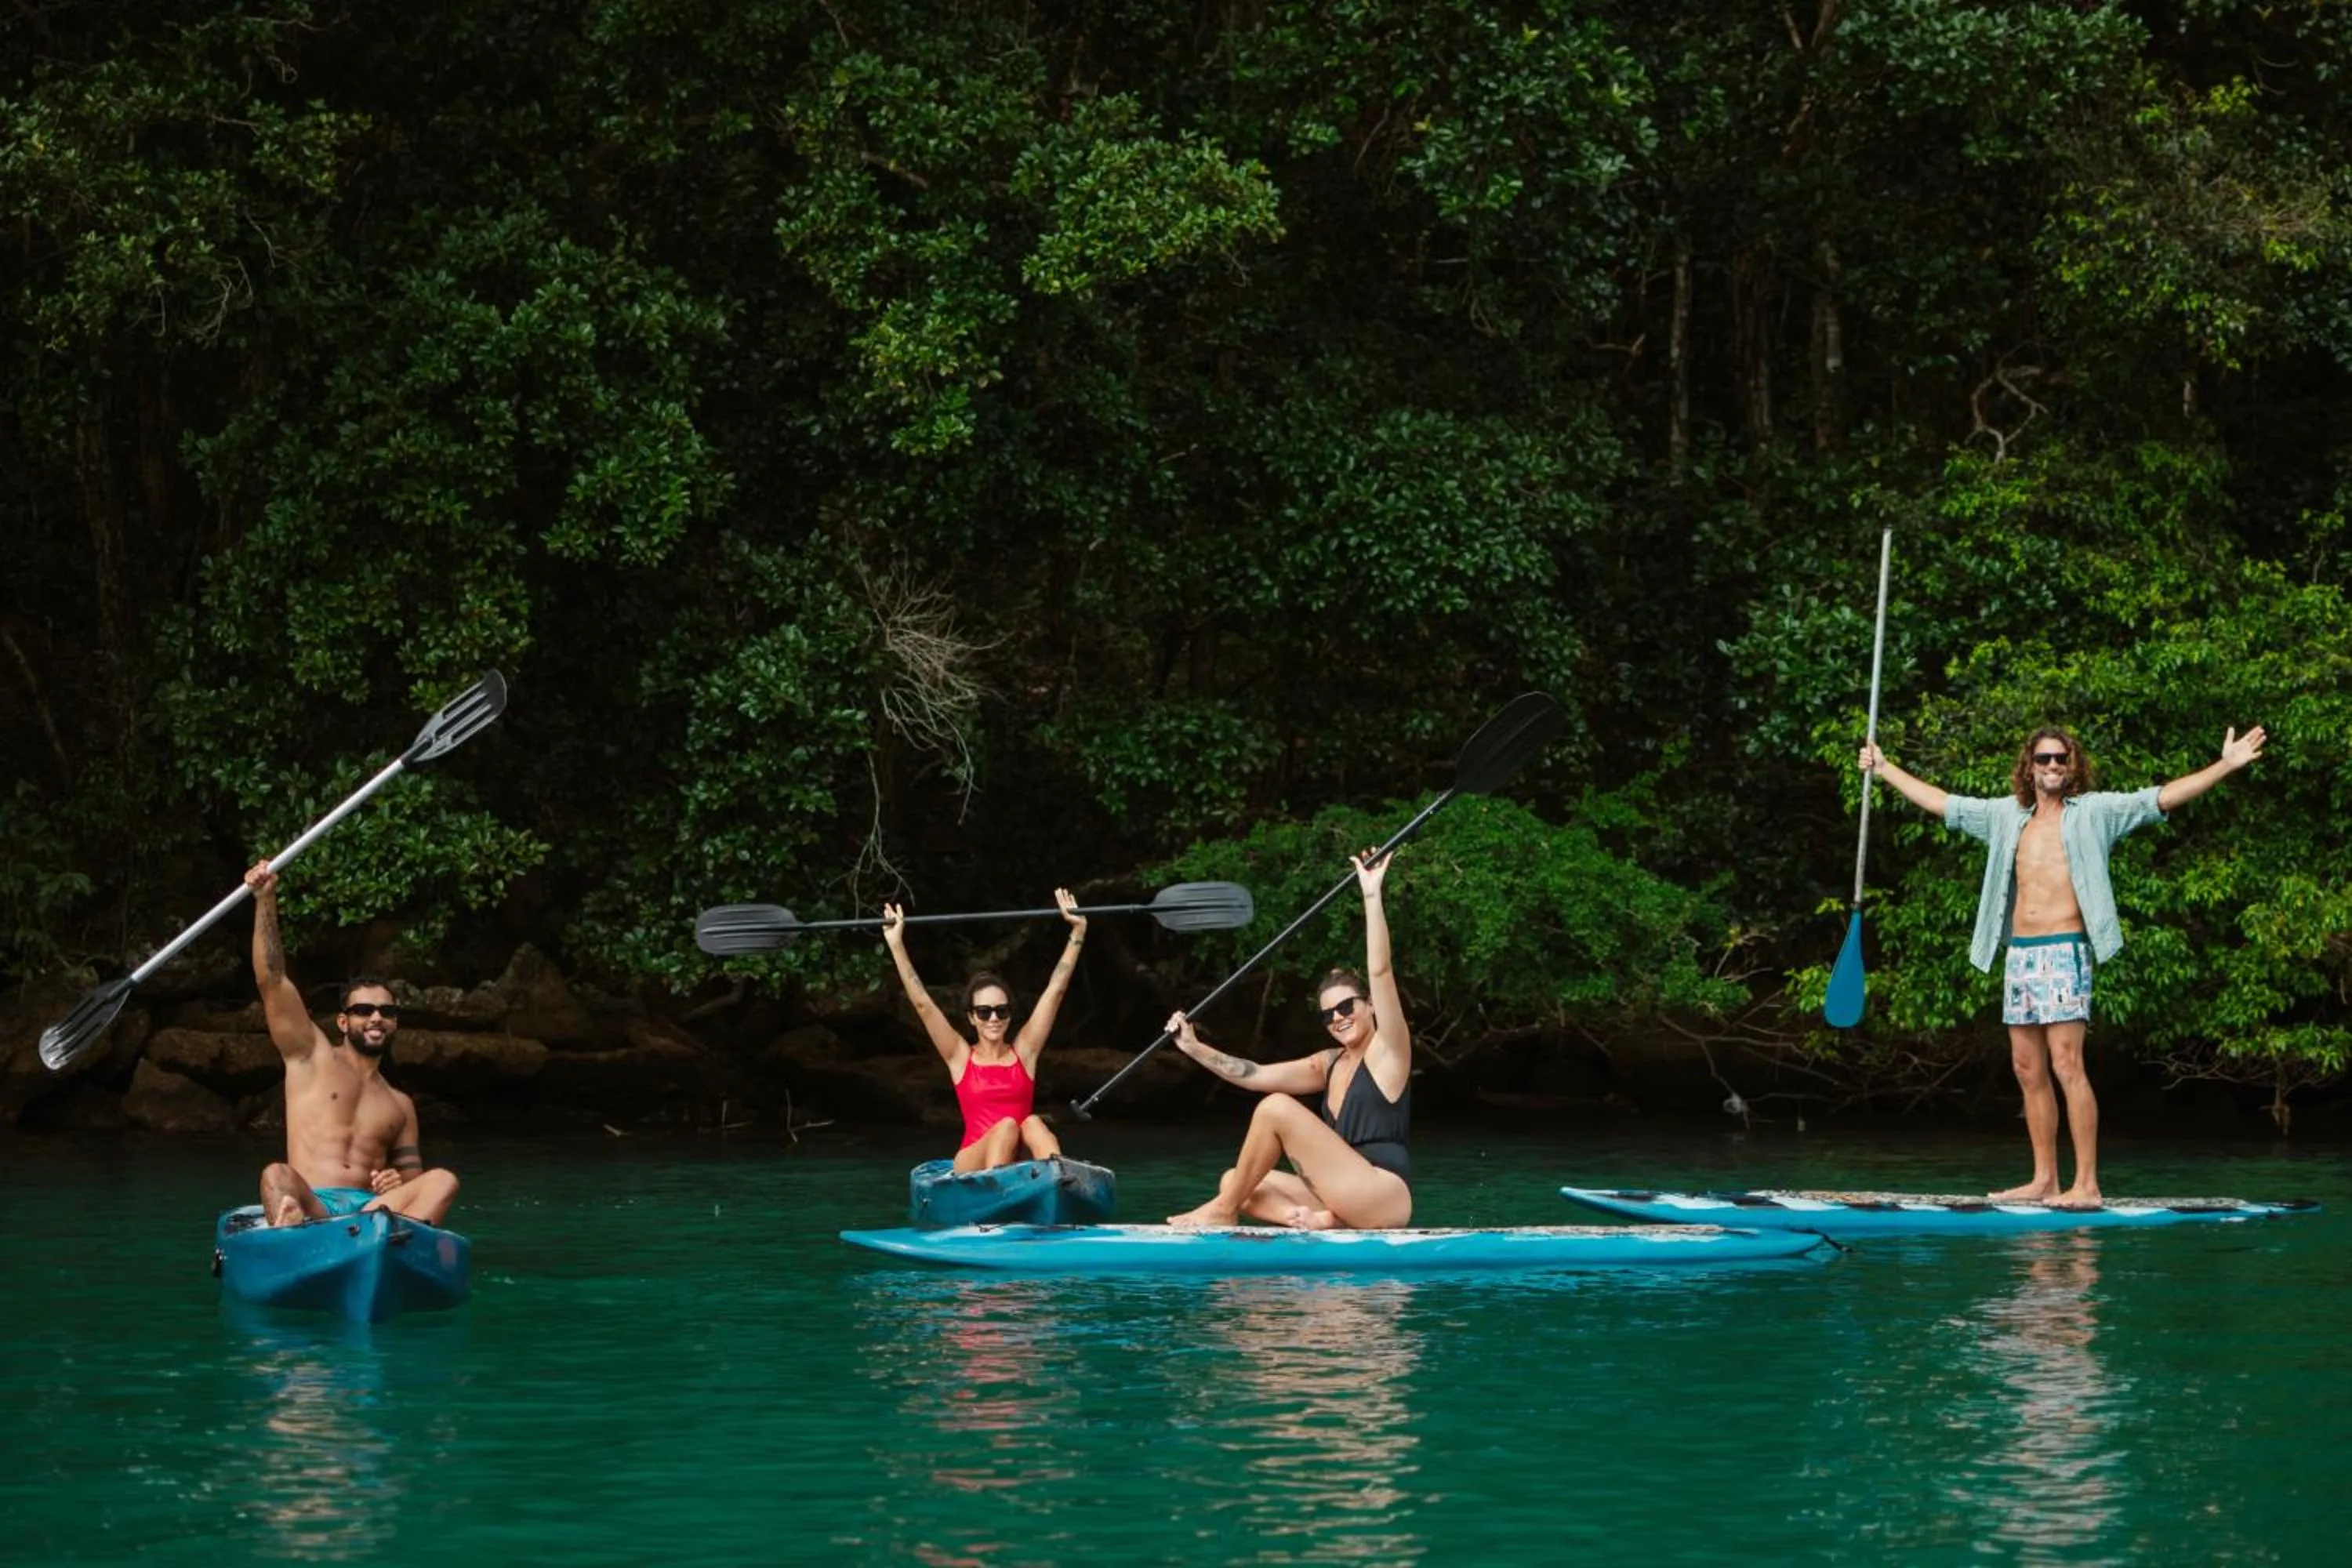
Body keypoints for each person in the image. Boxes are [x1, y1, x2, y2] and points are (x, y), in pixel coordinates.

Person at [1859, 725, 2265, 1207]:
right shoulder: (2006, 817)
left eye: (2062, 760)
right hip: (2020, 956)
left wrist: (2224, 766)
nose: (2054, 767)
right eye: (2045, 759)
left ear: (2072, 768)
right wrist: (1884, 769)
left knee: (2068, 1065)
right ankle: (2045, 1180)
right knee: (2027, 1068)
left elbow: (2159, 798)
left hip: (2065, 951)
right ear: (2029, 766)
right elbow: (1945, 803)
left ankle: (2087, 1184)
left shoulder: (2094, 813)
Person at [1166, 848, 1411, 1230]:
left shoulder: (1390, 1051)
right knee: (1236, 1180)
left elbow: (1380, 971)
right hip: (1341, 1193)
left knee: (1276, 1109)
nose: (1338, 1018)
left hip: (1383, 1194)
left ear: (1370, 1007)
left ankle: (1222, 1212)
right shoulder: (1329, 1063)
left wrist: (1371, 894)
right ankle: (1311, 1221)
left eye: (1347, 1007)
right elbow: (1255, 1074)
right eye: (1328, 1014)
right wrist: (1194, 1047)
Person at [245, 861, 460, 1227]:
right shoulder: (311, 1056)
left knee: (444, 1181)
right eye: (364, 1010)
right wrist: (265, 899)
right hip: (317, 1202)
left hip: (370, 1214)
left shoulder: (400, 1105)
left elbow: (414, 1180)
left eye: (386, 1011)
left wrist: (397, 1180)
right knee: (275, 1175)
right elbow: (272, 980)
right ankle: (293, 1233)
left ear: (394, 1022)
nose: (376, 1017)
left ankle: (392, 1244)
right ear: (343, 1021)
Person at [883, 888, 1086, 1171]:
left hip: (1020, 1158)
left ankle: (1057, 1176)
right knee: (1006, 1127)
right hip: (972, 1162)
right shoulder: (959, 1056)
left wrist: (1078, 932)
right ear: (972, 1018)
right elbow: (923, 1005)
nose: (993, 1018)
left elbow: (1056, 991)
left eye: (1001, 1011)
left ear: (1009, 1016)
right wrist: (896, 944)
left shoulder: (1024, 1053)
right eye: (984, 1012)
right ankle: (996, 1187)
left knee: (1033, 1122)